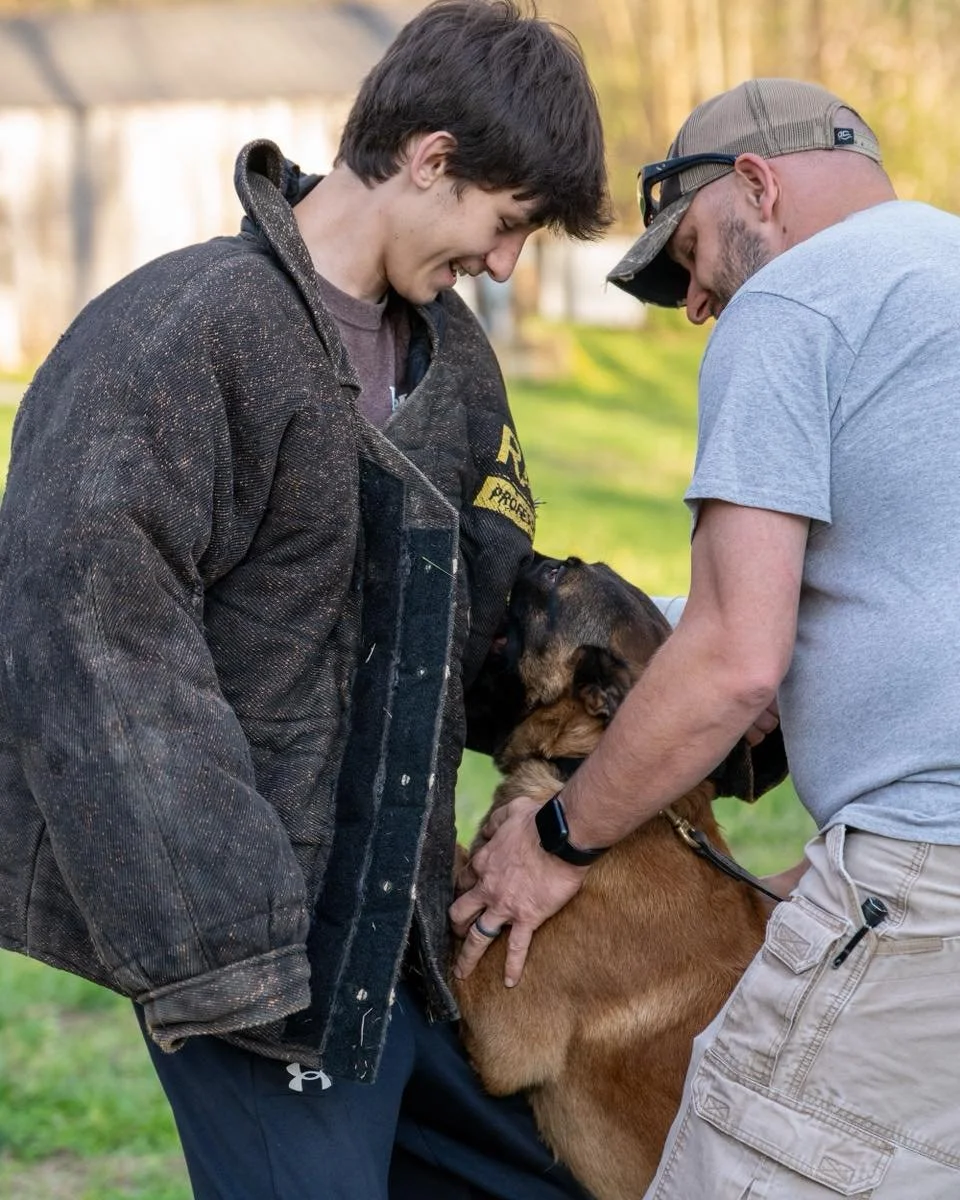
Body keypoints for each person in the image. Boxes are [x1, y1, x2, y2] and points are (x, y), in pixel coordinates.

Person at [0, 3, 611, 1197]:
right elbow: (93, 646)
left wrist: (625, 725)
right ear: (432, 160)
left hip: (401, 933)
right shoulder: (175, 341)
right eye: (507, 226)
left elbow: (479, 616)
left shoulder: (459, 367)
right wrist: (231, 951)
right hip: (254, 956)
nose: (503, 266)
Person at [451, 77, 960, 1197]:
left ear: (760, 189)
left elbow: (735, 657)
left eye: (692, 261)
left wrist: (559, 844)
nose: (697, 309)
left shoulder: (798, 306)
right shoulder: (939, 283)